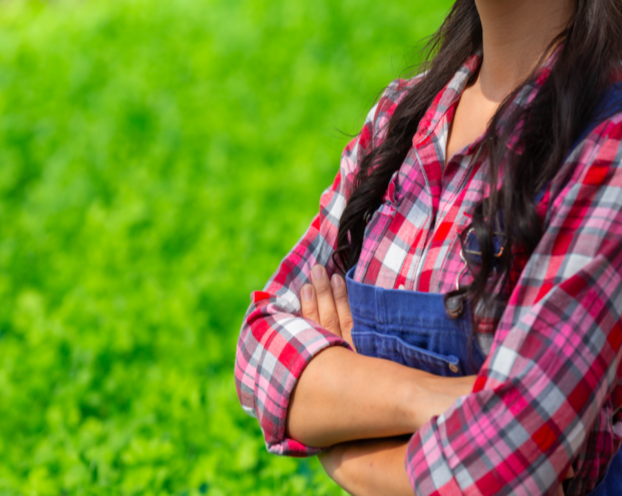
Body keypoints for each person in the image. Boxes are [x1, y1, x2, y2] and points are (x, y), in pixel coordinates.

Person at [234, 0, 622, 494]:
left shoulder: (606, 144)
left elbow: (505, 459)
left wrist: (346, 443)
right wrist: (427, 397)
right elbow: (259, 345)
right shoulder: (403, 118)